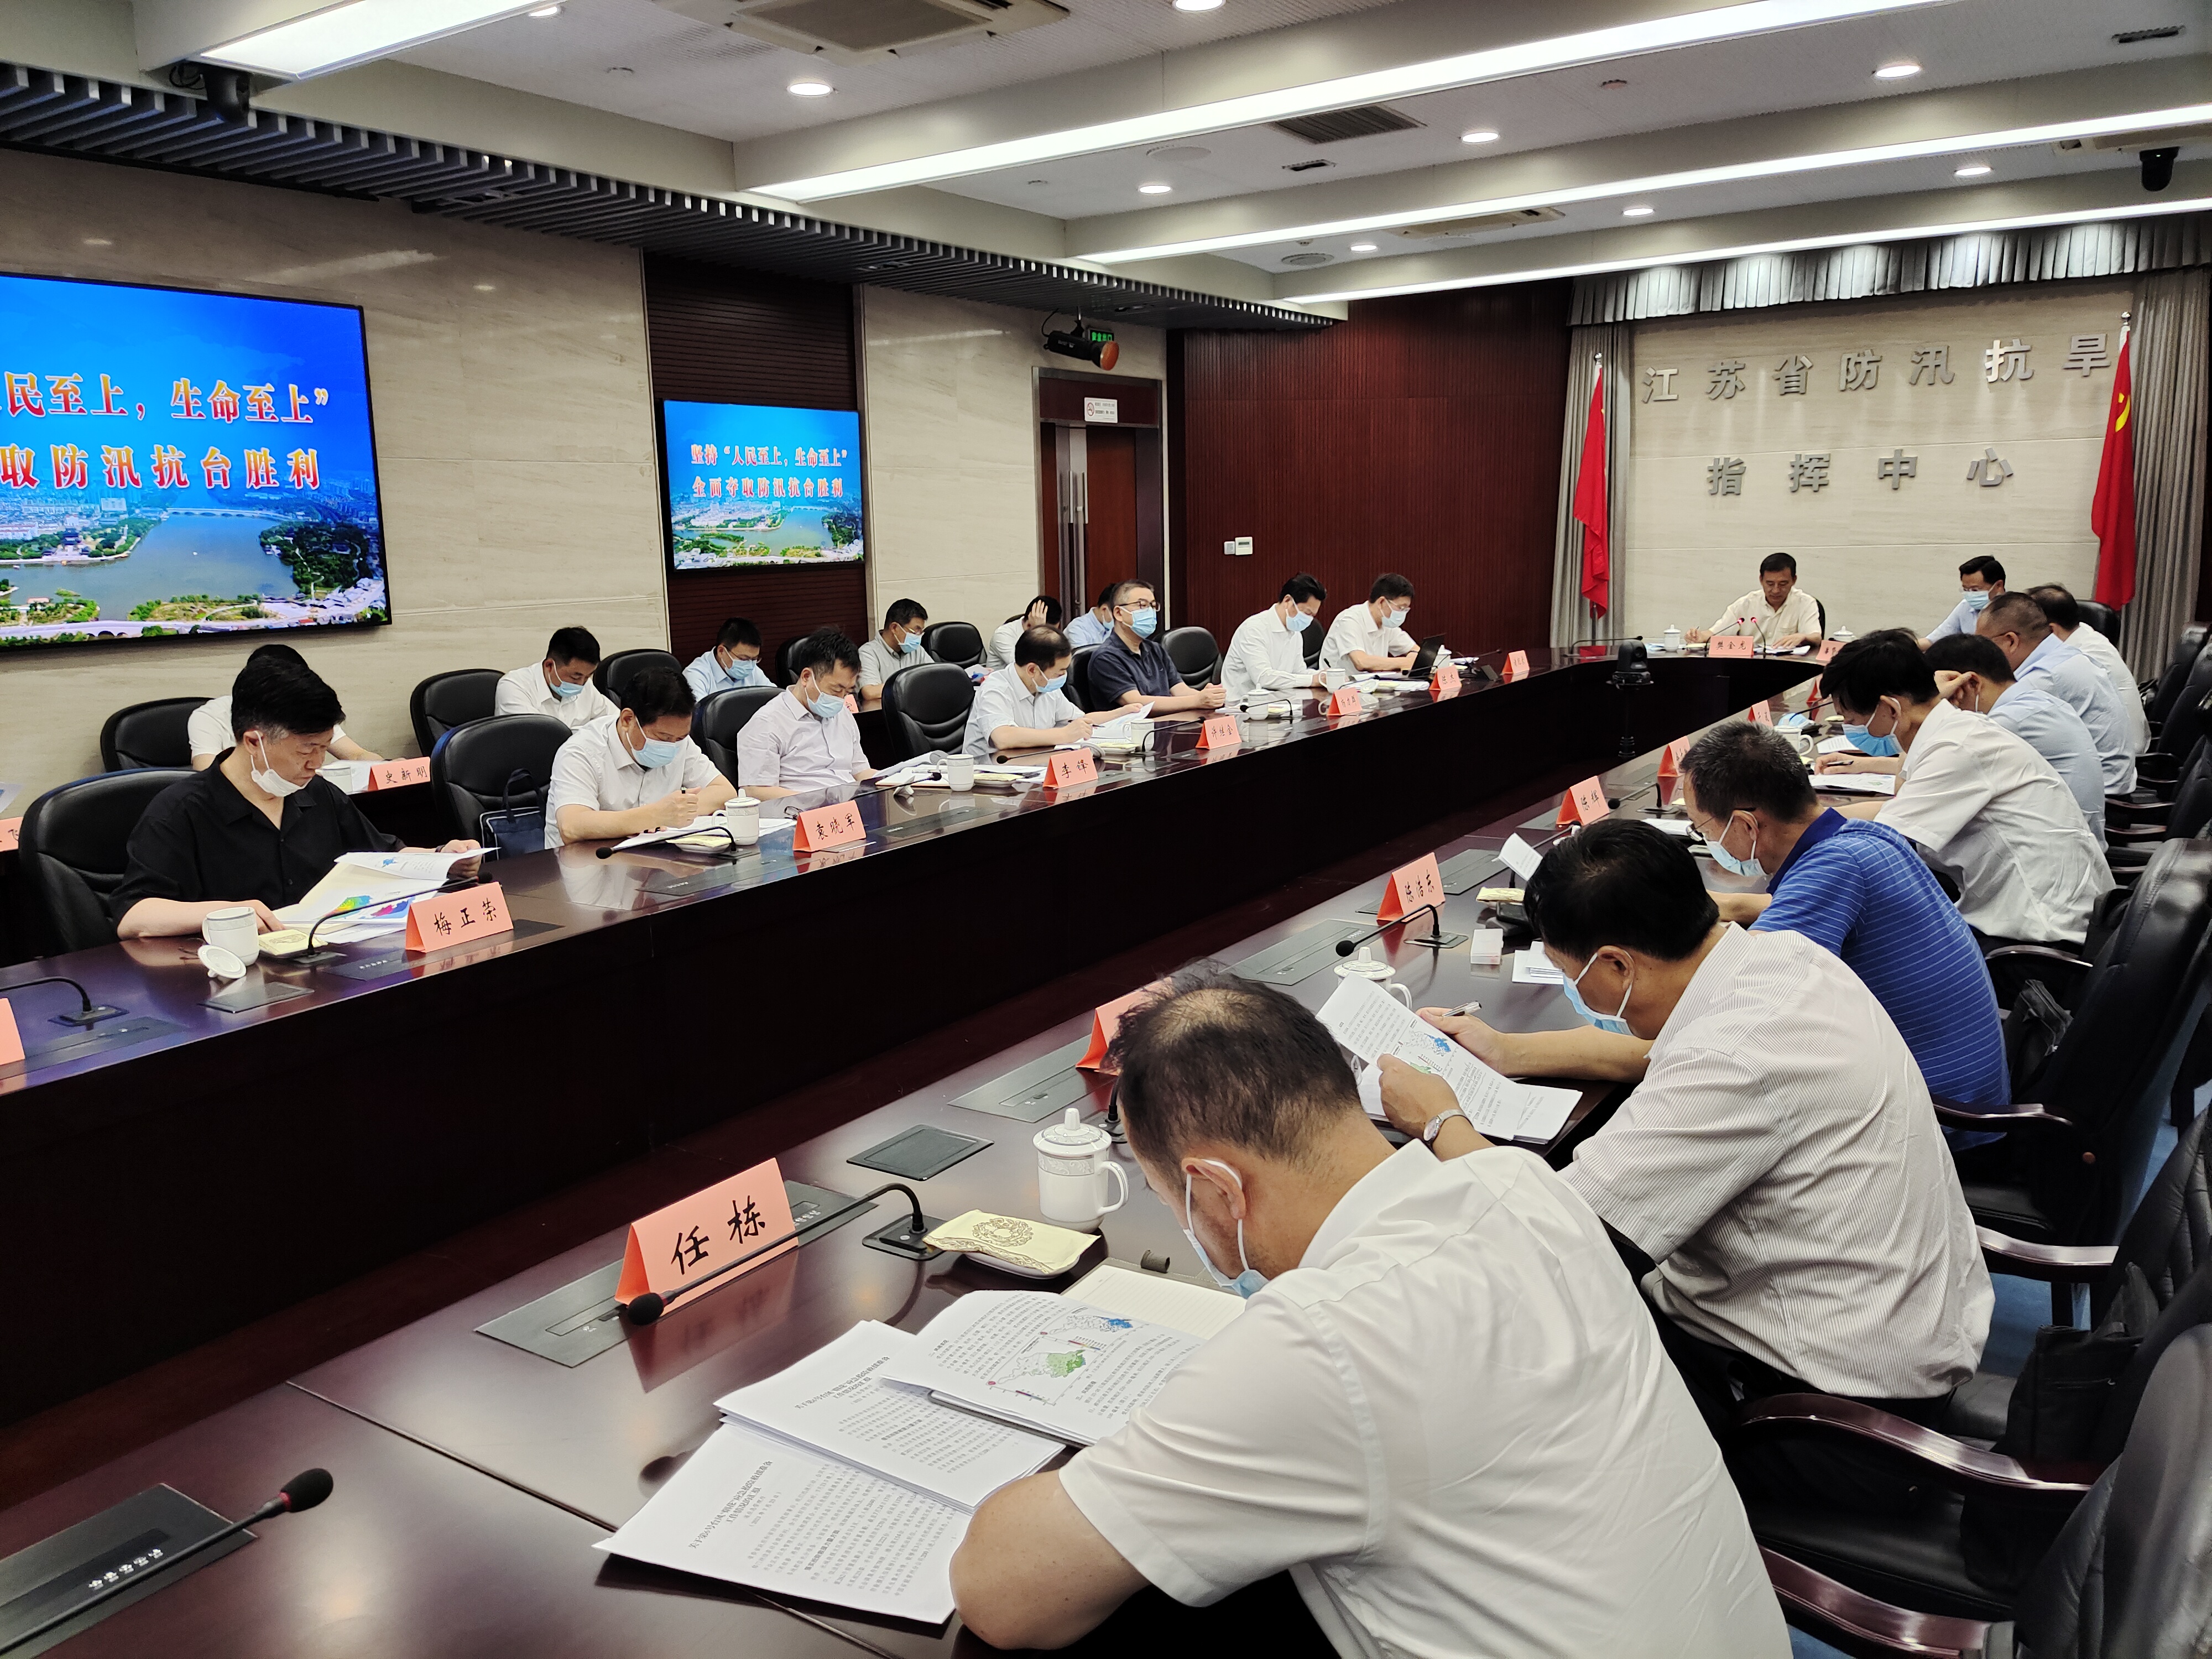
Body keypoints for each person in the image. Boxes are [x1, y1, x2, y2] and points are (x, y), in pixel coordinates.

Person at [951, 970, 1788, 1657]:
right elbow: (1469, 1160)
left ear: (1215, 1190)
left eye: (1172, 1201)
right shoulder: (1522, 1185)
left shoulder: (1322, 1341)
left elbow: (1003, 1596)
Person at [1378, 821, 1991, 1512]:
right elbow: (1665, 1053)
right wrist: (1506, 1051)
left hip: (1821, 1423)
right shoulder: (1781, 959)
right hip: (1885, 1337)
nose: (1572, 985)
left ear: (1616, 965)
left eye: (1567, 970)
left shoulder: (1732, 1060)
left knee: (1502, 1326)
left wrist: (1440, 1121)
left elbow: (1548, 1241)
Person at [1678, 722, 2009, 1116]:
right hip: (1963, 1087)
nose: (1706, 840)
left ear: (1746, 825)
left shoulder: (1831, 872)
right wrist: (1734, 906)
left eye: (1703, 829)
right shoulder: (1867, 838)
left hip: (1941, 1117)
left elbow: (1728, 1004)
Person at [116, 659, 478, 938]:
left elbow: (384, 856)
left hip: (325, 957)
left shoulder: (317, 792)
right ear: (254, 741)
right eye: (307, 750)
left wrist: (442, 859)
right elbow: (134, 918)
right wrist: (228, 912)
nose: (317, 763)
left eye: (324, 748)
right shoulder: (180, 811)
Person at [1821, 630, 2110, 947]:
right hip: (2030, 914)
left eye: (1852, 720)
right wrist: (1817, 815)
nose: (1852, 729)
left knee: (1867, 935)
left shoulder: (1959, 746)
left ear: (1890, 709)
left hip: (2039, 939)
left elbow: (1880, 840)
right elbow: (1897, 805)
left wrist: (1806, 823)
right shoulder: (1952, 731)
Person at [1924, 633, 2106, 845]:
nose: (1951, 707)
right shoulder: (2035, 700)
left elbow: (1926, 779)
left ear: (1971, 683)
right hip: (2069, 838)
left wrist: (1930, 706)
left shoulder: (2007, 722)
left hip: (2055, 846)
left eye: (1950, 698)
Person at [545, 666, 735, 847]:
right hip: (588, 863)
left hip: (656, 858)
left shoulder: (678, 740)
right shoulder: (580, 752)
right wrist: (654, 816)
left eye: (680, 738)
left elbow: (725, 792)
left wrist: (676, 811)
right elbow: (572, 826)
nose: (672, 745)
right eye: (663, 738)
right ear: (628, 720)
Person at [1976, 591, 2135, 796]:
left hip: (2104, 796)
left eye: (1983, 644)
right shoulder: (2064, 656)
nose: (1979, 654)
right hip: (2110, 782)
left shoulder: (2046, 678)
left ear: (2011, 641)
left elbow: (1985, 736)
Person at [734, 628, 877, 799]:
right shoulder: (766, 723)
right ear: (807, 677)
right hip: (801, 810)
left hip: (850, 805)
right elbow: (756, 791)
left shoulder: (843, 714)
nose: (841, 699)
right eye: (836, 690)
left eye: (847, 691)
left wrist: (892, 781)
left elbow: (861, 771)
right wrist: (818, 802)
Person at [189, 642, 379, 770]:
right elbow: (208, 773)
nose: (316, 763)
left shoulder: (309, 709)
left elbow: (356, 755)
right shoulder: (209, 717)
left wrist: (387, 768)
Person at [2028, 582, 2148, 755]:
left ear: (2052, 630)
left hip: (2119, 753)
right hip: (2107, 745)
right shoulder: (2083, 633)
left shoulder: (2079, 658)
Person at [1087, 580, 1225, 716]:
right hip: (1133, 728)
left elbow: (1180, 690)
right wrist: (1197, 700)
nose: (1150, 612)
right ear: (1119, 613)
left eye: (1153, 606)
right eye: (1142, 605)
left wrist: (1210, 697)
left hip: (1169, 723)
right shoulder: (1106, 658)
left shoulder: (1155, 649)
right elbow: (1136, 703)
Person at [963, 625, 1105, 757]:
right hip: (990, 771)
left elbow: (1079, 720)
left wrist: (1118, 714)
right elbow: (1003, 738)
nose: (1063, 677)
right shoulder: (995, 688)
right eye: (1059, 673)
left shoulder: (1045, 686)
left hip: (1034, 764)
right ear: (1032, 670)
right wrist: (1064, 735)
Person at [1221, 573, 1327, 703]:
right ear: (1287, 601)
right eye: (1306, 613)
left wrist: (1324, 676)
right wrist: (1313, 680)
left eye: (1313, 616)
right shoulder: (1254, 629)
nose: (1308, 620)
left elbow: (1299, 673)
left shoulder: (1295, 633)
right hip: (1242, 705)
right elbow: (1263, 678)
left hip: (1279, 703)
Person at [1686, 552, 1822, 649]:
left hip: (1791, 671)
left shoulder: (1805, 603)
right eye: (1770, 584)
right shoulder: (1746, 604)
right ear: (1761, 580)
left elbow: (1816, 637)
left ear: (1794, 580)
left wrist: (1803, 637)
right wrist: (1699, 637)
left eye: (1783, 584)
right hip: (1751, 670)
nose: (1776, 590)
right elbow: (1714, 633)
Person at [495, 626, 614, 730]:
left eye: (588, 677)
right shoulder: (514, 686)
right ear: (550, 666)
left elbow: (615, 721)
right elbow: (536, 737)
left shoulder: (585, 685)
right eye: (575, 677)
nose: (581, 684)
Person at [1318, 573, 1418, 677]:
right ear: (1381, 602)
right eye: (1401, 608)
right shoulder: (1349, 620)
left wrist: (1413, 657)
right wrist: (1406, 662)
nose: (1403, 613)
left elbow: (1416, 651)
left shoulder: (1387, 623)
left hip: (1371, 684)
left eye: (1406, 609)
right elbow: (1361, 662)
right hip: (1339, 685)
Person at [1919, 555, 2005, 645]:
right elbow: (1933, 640)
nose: (1970, 595)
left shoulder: (2013, 612)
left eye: (1975, 590)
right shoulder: (1966, 606)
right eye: (1966, 590)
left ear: (1998, 586)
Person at [681, 617, 770, 700]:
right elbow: (699, 711)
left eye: (754, 659)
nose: (749, 665)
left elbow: (774, 699)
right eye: (743, 659)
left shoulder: (751, 668)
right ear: (721, 651)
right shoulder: (695, 675)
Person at [858, 598, 932, 698]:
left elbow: (935, 678)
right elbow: (870, 692)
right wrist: (912, 685)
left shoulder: (917, 650)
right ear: (894, 628)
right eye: (915, 632)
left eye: (921, 632)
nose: (918, 637)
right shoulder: (868, 653)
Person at [987, 596, 1061, 670]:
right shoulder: (1003, 635)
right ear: (1030, 625)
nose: (1052, 636)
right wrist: (1038, 633)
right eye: (1048, 632)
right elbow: (1023, 666)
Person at [1062, 582, 1118, 650]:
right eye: (1117, 613)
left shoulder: (1114, 629)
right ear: (1104, 610)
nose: (1119, 618)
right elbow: (1083, 657)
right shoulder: (1078, 628)